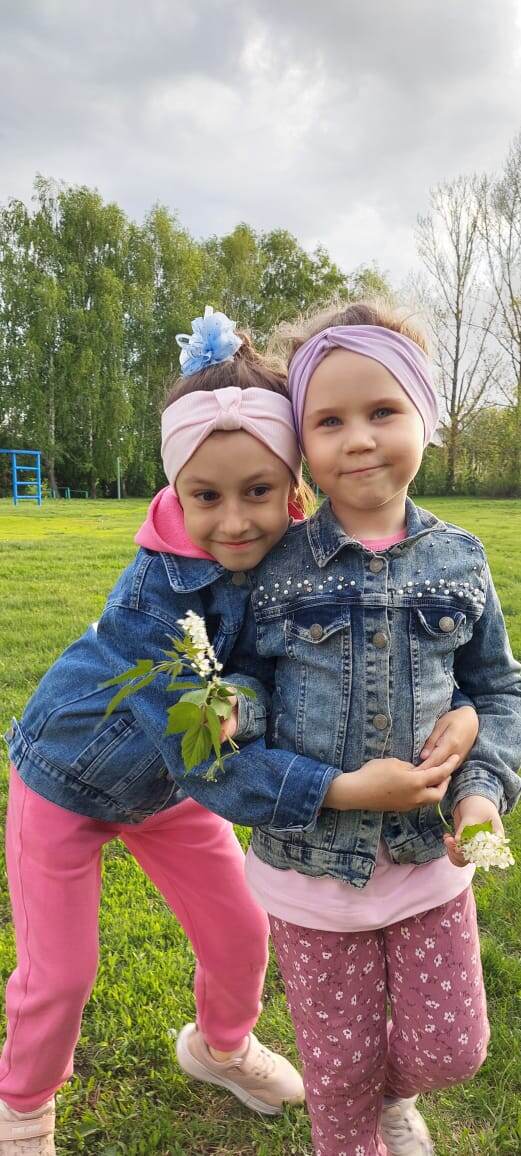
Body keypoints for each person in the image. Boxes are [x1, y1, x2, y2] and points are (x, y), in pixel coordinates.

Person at [0, 308, 476, 1156]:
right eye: (205, 497)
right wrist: (338, 790)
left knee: (239, 933)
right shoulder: (151, 603)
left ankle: (219, 1050)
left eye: (258, 492)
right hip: (68, 785)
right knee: (60, 974)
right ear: (174, 491)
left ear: (292, 482)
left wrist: (464, 704)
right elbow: (209, 761)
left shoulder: (295, 565)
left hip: (169, 794)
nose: (234, 523)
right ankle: (23, 1107)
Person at [236, 301, 521, 1156]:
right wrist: (233, 711)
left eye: (383, 411)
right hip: (311, 874)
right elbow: (243, 682)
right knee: (338, 1071)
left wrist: (480, 792)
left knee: (452, 1046)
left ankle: (383, 1099)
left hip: (426, 864)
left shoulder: (460, 558)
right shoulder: (272, 566)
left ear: (424, 417)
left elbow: (495, 688)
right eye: (329, 421)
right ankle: (356, 1120)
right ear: (301, 440)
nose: (358, 438)